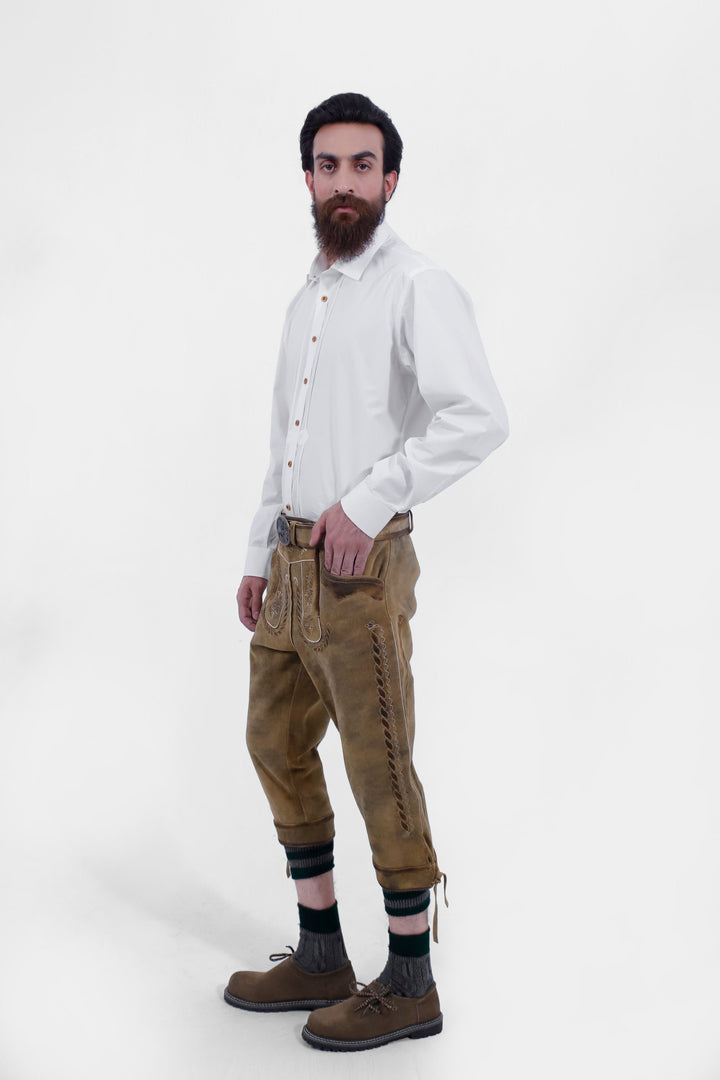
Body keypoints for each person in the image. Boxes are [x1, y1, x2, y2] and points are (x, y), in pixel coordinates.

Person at [225, 92, 509, 1052]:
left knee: (377, 762)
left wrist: (373, 499)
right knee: (274, 741)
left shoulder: (417, 285)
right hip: (291, 560)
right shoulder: (307, 298)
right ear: (307, 177)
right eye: (328, 164)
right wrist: (260, 549)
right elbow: (285, 443)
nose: (344, 182)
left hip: (358, 567)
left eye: (363, 165)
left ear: (390, 180)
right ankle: (320, 954)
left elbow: (475, 415)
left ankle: (411, 982)